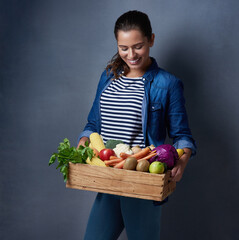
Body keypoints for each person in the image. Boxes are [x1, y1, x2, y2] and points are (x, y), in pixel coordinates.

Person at [77, 10, 196, 240]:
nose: (131, 54)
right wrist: (84, 139)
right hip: (108, 177)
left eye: (138, 46)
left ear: (151, 39)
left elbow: (182, 135)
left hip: (141, 181)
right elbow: (93, 122)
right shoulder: (108, 77)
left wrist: (184, 158)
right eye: (124, 48)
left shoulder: (168, 84)